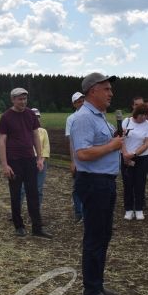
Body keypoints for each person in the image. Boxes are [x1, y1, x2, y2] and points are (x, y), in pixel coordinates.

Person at [70, 72, 123, 295]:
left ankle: (97, 285)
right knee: (94, 236)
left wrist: (119, 151)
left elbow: (102, 147)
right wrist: (112, 145)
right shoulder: (84, 118)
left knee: (103, 235)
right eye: (106, 89)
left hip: (105, 181)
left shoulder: (100, 117)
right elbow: (82, 154)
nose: (111, 93)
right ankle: (91, 291)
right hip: (93, 182)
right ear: (93, 91)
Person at [0, 87, 51, 239]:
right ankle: (19, 226)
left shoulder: (30, 114)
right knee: (15, 194)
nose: (23, 101)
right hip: (14, 161)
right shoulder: (6, 117)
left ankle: (37, 228)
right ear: (13, 100)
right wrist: (5, 165)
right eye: (20, 99)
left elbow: (35, 135)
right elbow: (2, 141)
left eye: (25, 99)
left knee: (33, 194)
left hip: (29, 160)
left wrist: (39, 158)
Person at [121, 99, 148, 220]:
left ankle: (139, 209)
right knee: (128, 184)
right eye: (142, 115)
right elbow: (121, 139)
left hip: (142, 158)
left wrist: (133, 154)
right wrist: (125, 154)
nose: (144, 118)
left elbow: (147, 143)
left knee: (140, 184)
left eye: (146, 116)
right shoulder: (126, 122)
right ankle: (129, 209)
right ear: (136, 114)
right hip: (125, 157)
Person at [18, 108, 50, 210]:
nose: (36, 119)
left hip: (41, 162)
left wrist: (40, 160)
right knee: (22, 189)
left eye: (37, 117)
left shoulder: (43, 132)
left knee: (38, 189)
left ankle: (36, 211)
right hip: (27, 162)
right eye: (33, 117)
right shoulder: (22, 131)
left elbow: (46, 148)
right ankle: (17, 211)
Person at [65, 92, 86, 222]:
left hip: (91, 158)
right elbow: (71, 141)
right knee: (78, 187)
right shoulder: (71, 119)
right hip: (78, 158)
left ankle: (88, 213)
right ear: (74, 104)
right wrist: (73, 161)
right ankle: (79, 213)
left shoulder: (92, 116)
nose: (82, 103)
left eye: (83, 100)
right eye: (78, 101)